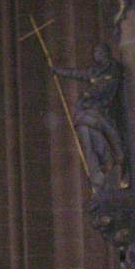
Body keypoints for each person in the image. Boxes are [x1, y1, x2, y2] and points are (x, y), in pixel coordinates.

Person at [52, 43, 128, 193]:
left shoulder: (113, 68)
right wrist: (58, 71)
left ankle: (112, 170)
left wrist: (88, 94)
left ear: (106, 52)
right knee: (88, 138)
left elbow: (107, 85)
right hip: (89, 113)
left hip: (104, 111)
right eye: (95, 52)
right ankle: (99, 174)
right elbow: (77, 74)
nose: (96, 55)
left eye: (98, 51)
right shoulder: (95, 71)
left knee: (112, 144)